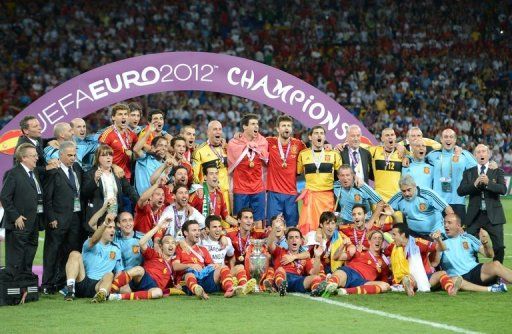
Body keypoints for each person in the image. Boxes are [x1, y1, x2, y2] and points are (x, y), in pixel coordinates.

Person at [42, 141, 84, 294]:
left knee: (69, 251)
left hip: (75, 219)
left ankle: (62, 283)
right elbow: (47, 197)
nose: (73, 158)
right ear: (61, 155)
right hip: (58, 219)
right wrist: (51, 217)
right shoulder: (54, 171)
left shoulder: (77, 169)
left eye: (74, 155)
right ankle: (47, 284)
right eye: (70, 155)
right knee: (52, 252)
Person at [457, 144, 507, 263]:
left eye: (484, 151)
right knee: (469, 245)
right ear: (475, 156)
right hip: (474, 215)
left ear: (488, 154)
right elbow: (460, 191)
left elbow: (503, 190)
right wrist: (474, 184)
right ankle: (474, 270)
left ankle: (496, 274)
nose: (481, 154)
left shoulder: (497, 171)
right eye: (478, 152)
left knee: (499, 247)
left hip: (493, 215)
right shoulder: (469, 172)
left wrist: (488, 183)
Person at [109, 217, 179, 300]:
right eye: (167, 243)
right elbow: (141, 242)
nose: (171, 245)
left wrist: (177, 286)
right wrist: (158, 227)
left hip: (153, 287)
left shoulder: (175, 263)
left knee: (158, 293)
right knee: (139, 269)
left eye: (173, 243)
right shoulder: (154, 254)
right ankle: (110, 291)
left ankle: (118, 297)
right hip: (143, 278)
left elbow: (174, 282)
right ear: (161, 246)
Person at [1, 143, 44, 273]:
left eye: (36, 155)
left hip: (33, 223)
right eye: (33, 156)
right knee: (16, 260)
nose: (36, 158)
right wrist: (16, 216)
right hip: (18, 224)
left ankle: (25, 287)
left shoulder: (34, 172)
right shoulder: (13, 173)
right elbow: (5, 197)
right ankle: (13, 288)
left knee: (28, 257)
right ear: (23, 158)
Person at [387, 224, 462, 296]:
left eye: (394, 234)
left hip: (424, 277)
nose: (392, 237)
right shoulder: (392, 246)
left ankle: (451, 290)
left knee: (442, 273)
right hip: (404, 277)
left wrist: (439, 240)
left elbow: (442, 248)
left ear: (402, 235)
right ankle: (409, 288)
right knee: (407, 278)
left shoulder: (418, 243)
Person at [440, 214, 509, 293]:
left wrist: (485, 242)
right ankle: (491, 289)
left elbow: (490, 255)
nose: (446, 225)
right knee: (454, 280)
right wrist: (438, 242)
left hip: (474, 271)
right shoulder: (440, 241)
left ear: (458, 225)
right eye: (444, 223)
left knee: (496, 264)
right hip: (458, 276)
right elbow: (434, 263)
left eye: (449, 223)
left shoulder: (468, 237)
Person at [173, 220, 240, 299]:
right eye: (194, 230)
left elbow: (211, 266)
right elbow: (175, 266)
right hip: (186, 280)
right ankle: (197, 290)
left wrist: (216, 266)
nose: (198, 233)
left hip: (204, 278)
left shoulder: (203, 249)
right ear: (185, 233)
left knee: (223, 267)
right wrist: (190, 265)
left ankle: (230, 289)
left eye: (198, 230)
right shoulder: (178, 248)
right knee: (189, 274)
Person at [63, 213, 123, 302]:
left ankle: (100, 295)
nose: (113, 230)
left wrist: (114, 287)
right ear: (101, 228)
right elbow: (94, 240)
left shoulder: (116, 248)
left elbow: (119, 271)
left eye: (114, 228)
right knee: (74, 254)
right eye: (109, 227)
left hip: (98, 286)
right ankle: (70, 291)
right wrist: (105, 223)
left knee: (110, 274)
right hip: (82, 280)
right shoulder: (89, 242)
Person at [426, 128, 477, 223]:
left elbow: (481, 166)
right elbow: (417, 156)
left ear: (455, 140)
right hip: (438, 203)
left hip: (458, 203)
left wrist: (493, 164)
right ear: (441, 139)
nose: (448, 139)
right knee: (438, 234)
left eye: (451, 137)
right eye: (445, 137)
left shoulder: (464, 155)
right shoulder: (433, 155)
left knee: (459, 234)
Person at [297, 126, 341, 234]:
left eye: (321, 133)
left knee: (328, 227)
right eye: (316, 133)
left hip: (327, 197)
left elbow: (342, 173)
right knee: (309, 229)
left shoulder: (333, 154)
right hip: (311, 196)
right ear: (310, 137)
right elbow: (298, 172)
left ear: (325, 137)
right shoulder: (303, 154)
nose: (319, 135)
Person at [318, 230, 391, 296]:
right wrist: (343, 245)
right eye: (375, 238)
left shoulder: (384, 263)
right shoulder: (359, 251)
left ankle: (343, 291)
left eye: (380, 238)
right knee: (340, 275)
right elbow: (336, 257)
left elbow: (385, 280)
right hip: (349, 272)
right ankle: (327, 285)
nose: (377, 240)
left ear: (382, 242)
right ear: (369, 241)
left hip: (362, 281)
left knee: (385, 286)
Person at [82, 144, 139, 227]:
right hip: (98, 215)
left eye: (110, 155)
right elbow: (85, 193)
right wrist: (95, 180)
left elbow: (129, 190)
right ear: (98, 158)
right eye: (104, 155)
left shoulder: (117, 173)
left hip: (115, 214)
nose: (108, 157)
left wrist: (140, 203)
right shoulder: (90, 174)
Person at [227, 114, 269, 227]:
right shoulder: (234, 143)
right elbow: (230, 164)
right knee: (240, 221)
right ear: (245, 127)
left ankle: (258, 244)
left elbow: (266, 159)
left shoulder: (262, 142)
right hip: (241, 188)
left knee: (258, 221)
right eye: (253, 124)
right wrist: (246, 146)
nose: (257, 126)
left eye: (257, 124)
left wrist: (255, 147)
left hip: (258, 188)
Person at [266, 115, 306, 226]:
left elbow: (311, 157)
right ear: (278, 129)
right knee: (273, 226)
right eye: (283, 126)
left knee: (292, 227)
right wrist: (238, 135)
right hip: (274, 193)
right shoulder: (269, 142)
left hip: (291, 194)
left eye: (289, 126)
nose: (286, 128)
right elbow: (252, 141)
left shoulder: (298, 144)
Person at [199, 215, 256, 293]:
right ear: (207, 229)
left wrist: (232, 267)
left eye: (219, 227)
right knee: (223, 268)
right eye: (214, 227)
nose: (218, 230)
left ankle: (243, 288)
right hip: (209, 276)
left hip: (224, 274)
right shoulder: (201, 240)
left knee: (240, 267)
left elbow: (231, 255)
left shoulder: (227, 241)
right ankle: (230, 289)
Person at [388, 174, 454, 239]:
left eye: (409, 190)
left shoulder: (427, 193)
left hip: (435, 233)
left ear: (415, 186)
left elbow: (448, 209)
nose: (406, 194)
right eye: (403, 191)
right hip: (414, 235)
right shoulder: (398, 197)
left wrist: (446, 229)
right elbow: (385, 208)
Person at [268, 228, 325, 296]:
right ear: (286, 241)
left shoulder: (305, 258)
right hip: (283, 276)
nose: (294, 240)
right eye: (291, 237)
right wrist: (275, 227)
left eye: (297, 237)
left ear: (301, 241)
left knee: (316, 277)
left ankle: (316, 290)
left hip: (297, 280)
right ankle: (281, 287)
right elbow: (270, 244)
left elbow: (314, 273)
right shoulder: (280, 251)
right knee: (280, 270)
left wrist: (317, 257)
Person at [192, 120, 230, 216]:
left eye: (220, 129)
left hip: (226, 193)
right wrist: (200, 188)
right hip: (209, 194)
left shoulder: (226, 148)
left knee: (226, 226)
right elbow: (194, 175)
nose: (218, 132)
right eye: (215, 129)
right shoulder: (200, 151)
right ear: (208, 132)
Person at [99, 103, 140, 182]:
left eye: (125, 114)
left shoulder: (131, 134)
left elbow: (137, 150)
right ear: (113, 117)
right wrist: (114, 166)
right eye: (120, 114)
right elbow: (99, 158)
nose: (123, 116)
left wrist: (133, 155)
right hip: (111, 176)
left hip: (127, 176)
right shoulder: (107, 135)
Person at [305, 211, 354, 276]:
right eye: (327, 224)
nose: (330, 227)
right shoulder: (314, 236)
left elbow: (351, 248)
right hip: (317, 268)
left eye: (333, 223)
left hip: (334, 269)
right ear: (321, 225)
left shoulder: (339, 236)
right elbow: (307, 255)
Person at [367, 128, 405, 202]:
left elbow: (416, 144)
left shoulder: (402, 153)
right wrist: (344, 144)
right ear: (382, 138)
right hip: (378, 197)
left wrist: (398, 145)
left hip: (396, 198)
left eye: (392, 135)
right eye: (387, 135)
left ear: (395, 137)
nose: (390, 137)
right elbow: (358, 147)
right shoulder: (374, 151)